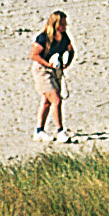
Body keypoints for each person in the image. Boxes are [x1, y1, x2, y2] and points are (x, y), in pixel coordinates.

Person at [32, 10, 76, 141]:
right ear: (56, 24)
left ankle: (39, 131)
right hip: (42, 70)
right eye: (62, 23)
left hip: (55, 70)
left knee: (46, 101)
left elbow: (71, 50)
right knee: (56, 99)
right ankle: (60, 131)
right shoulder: (44, 37)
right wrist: (48, 64)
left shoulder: (64, 36)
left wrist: (67, 63)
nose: (65, 26)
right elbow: (33, 55)